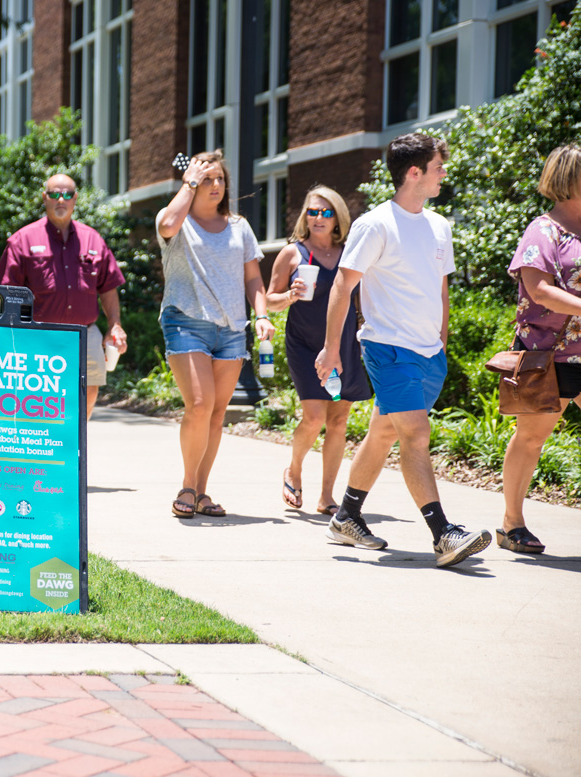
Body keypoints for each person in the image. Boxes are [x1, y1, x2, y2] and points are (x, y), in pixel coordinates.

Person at [315, 133, 491, 567]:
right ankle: (443, 533)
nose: (443, 173)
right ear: (414, 172)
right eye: (438, 167)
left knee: (384, 432)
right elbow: (343, 284)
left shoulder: (439, 226)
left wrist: (442, 345)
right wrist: (331, 349)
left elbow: (441, 289)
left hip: (428, 353)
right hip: (387, 346)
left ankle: (346, 516)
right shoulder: (376, 224)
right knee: (416, 433)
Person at [155, 151, 273, 518]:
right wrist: (189, 182)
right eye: (208, 179)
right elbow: (166, 225)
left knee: (218, 413)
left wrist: (262, 315)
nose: (216, 185)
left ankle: (202, 491)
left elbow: (252, 277)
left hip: (233, 329)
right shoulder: (178, 220)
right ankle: (187, 486)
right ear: (192, 181)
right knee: (200, 405)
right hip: (185, 321)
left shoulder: (239, 226)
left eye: (220, 178)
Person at [266, 186, 370, 514]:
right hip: (304, 344)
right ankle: (294, 469)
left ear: (337, 217)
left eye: (326, 212)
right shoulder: (292, 253)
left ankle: (326, 496)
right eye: (312, 211)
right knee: (313, 418)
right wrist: (289, 297)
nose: (318, 218)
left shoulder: (350, 252)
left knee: (338, 420)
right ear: (305, 215)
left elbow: (363, 297)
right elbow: (268, 299)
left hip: (345, 344)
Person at [0, 173, 128, 420]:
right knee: (37, 401)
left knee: (88, 391)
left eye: (66, 194)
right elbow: (5, 293)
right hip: (39, 336)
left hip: (85, 333)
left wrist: (114, 325)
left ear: (75, 199)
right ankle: (41, 450)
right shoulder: (23, 240)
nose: (60, 199)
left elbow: (108, 287)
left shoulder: (93, 239)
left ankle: (75, 450)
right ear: (45, 198)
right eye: (54, 194)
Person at [499, 143, 581, 555]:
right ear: (570, 179)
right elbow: (539, 289)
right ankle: (512, 524)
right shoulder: (543, 230)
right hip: (550, 356)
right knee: (531, 439)